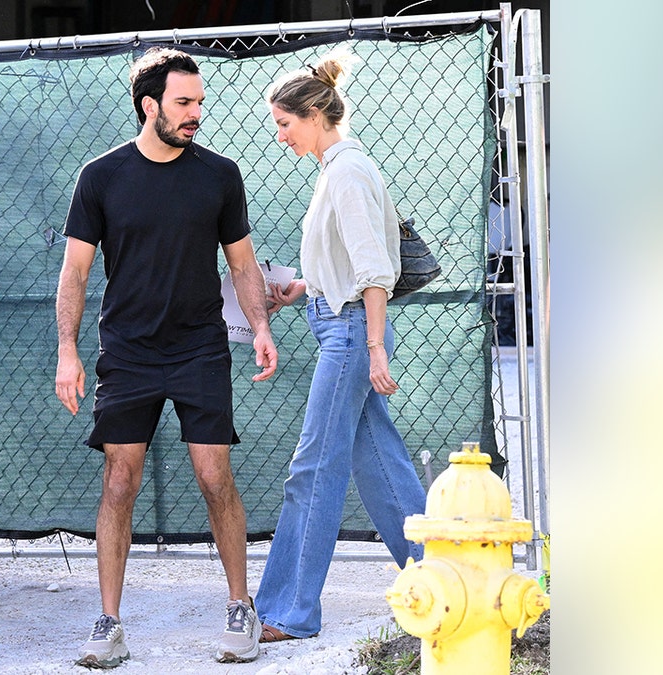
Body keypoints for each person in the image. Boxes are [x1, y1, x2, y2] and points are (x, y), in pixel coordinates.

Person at [54, 47, 278, 667]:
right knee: (119, 481)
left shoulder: (219, 175)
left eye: (200, 102)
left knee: (214, 477)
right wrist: (67, 351)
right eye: (184, 103)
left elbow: (242, 262)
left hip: (199, 348)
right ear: (149, 105)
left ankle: (240, 608)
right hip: (126, 351)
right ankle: (108, 623)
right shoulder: (100, 176)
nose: (196, 114)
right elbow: (75, 272)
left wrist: (260, 325)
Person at [253, 50, 427, 643]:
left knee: (313, 468)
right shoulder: (338, 168)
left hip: (352, 331)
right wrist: (303, 286)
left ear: (314, 115)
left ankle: (289, 611)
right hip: (341, 320)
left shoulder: (347, 172)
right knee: (380, 463)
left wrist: (375, 347)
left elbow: (375, 271)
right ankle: (440, 580)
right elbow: (350, 260)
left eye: (284, 124)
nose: (280, 136)